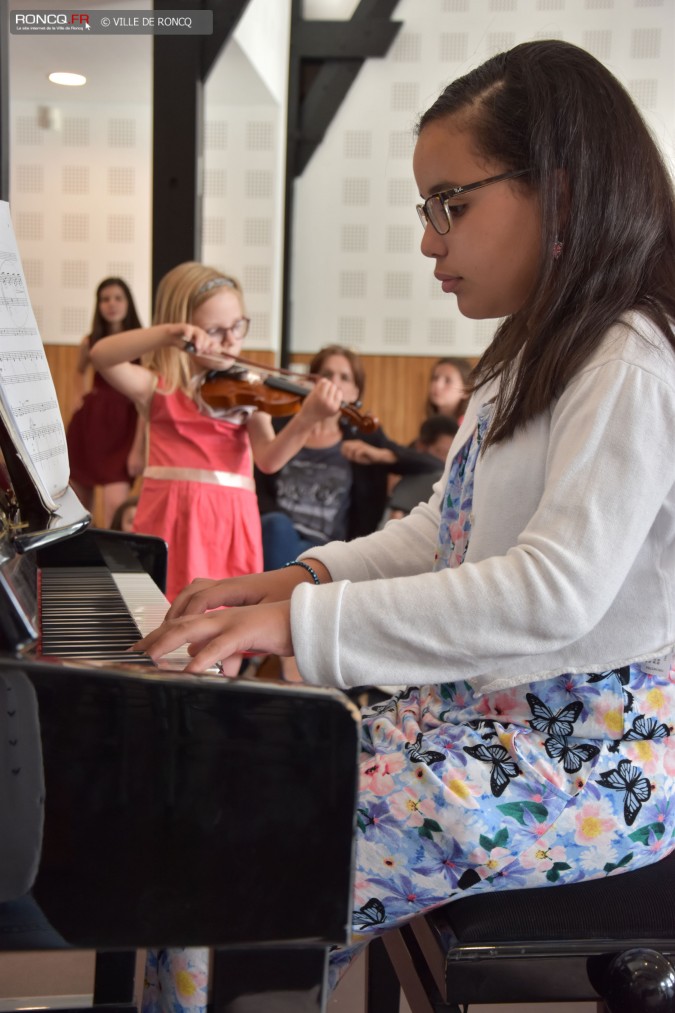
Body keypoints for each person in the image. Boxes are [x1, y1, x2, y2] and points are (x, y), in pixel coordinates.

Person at [135, 40, 675, 1009]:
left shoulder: (627, 355)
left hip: (591, 753)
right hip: (494, 714)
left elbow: (553, 591)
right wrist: (292, 584)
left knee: (241, 828)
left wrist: (300, 628)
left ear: (558, 187)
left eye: (449, 204)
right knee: (240, 774)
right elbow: (444, 531)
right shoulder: (530, 350)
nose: (429, 239)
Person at [89, 262, 343, 601]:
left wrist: (307, 418)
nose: (231, 341)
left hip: (227, 523)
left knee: (225, 625)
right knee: (161, 616)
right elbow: (102, 356)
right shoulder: (159, 389)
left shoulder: (249, 391)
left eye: (238, 326)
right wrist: (166, 334)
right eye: (215, 331)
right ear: (187, 332)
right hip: (170, 519)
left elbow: (269, 458)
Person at [256, 343, 442, 569]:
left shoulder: (365, 436)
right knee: (277, 526)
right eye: (326, 374)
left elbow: (433, 465)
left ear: (355, 393)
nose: (334, 382)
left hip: (328, 549)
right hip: (276, 537)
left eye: (344, 377)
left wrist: (382, 455)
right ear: (312, 382)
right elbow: (258, 484)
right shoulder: (284, 426)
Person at [66, 277, 146, 527]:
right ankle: (78, 560)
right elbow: (79, 372)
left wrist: (138, 449)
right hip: (89, 426)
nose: (111, 304)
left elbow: (146, 399)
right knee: (78, 507)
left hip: (125, 428)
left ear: (128, 303)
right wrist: (80, 397)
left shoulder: (142, 342)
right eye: (105, 299)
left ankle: (113, 565)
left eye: (118, 298)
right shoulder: (90, 341)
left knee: (115, 507)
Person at [387, 415, 459, 519]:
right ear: (421, 446)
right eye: (441, 452)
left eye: (452, 454)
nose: (447, 461)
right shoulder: (401, 479)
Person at [425, 355, 471, 424]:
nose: (438, 385)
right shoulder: (429, 423)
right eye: (435, 378)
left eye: (448, 380)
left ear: (465, 391)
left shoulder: (469, 426)